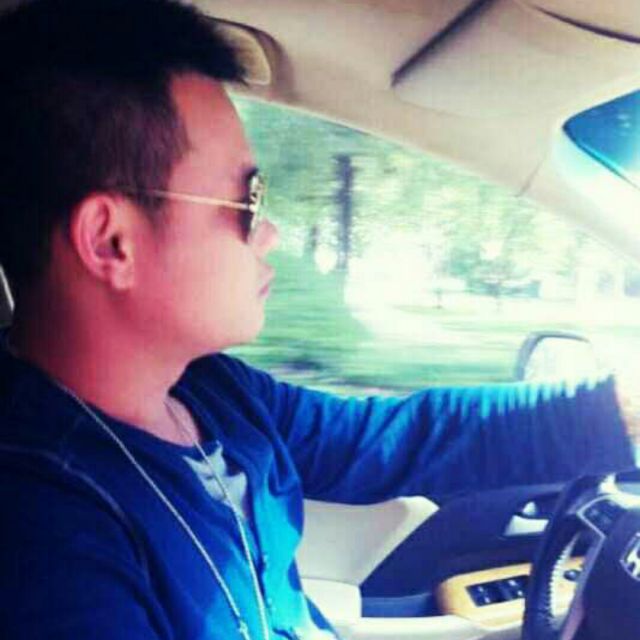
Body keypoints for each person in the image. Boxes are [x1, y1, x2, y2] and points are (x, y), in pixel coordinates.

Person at [0, 1, 633, 639]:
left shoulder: (212, 392)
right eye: (248, 201)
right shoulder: (40, 530)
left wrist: (617, 410)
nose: (270, 232)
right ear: (111, 242)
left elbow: (395, 441)